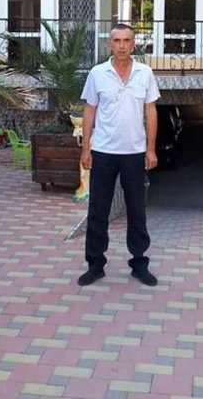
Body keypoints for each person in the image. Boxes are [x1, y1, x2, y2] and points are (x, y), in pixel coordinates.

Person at [78, 23, 160, 286]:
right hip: (103, 152)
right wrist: (86, 148)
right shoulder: (97, 73)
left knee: (137, 211)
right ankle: (95, 265)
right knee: (97, 211)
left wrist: (151, 149)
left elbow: (151, 112)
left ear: (133, 44)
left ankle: (139, 264)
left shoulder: (145, 73)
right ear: (109, 44)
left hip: (134, 153)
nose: (122, 45)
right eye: (117, 41)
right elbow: (89, 111)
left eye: (126, 40)